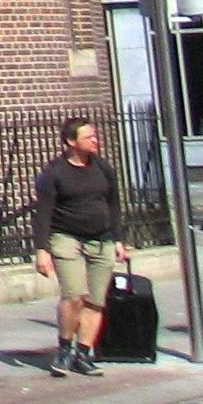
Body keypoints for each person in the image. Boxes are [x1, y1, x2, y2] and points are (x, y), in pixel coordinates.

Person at [33, 115, 130, 376]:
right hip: (66, 238)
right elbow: (43, 212)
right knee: (75, 296)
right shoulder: (54, 172)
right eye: (88, 137)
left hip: (101, 239)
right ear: (70, 142)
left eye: (94, 136)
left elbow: (114, 203)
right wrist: (42, 250)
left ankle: (84, 353)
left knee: (96, 301)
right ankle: (65, 348)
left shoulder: (102, 168)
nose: (95, 140)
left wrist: (118, 239)